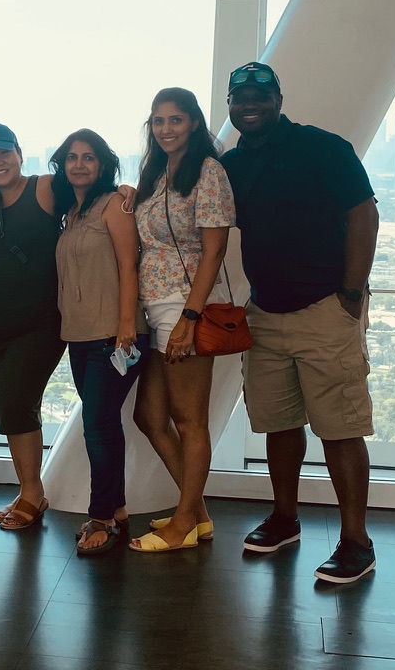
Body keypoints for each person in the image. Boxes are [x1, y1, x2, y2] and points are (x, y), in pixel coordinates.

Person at [220, 62, 379, 584]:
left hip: (325, 309)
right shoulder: (234, 165)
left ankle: (356, 541)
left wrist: (351, 296)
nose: (250, 103)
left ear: (278, 99)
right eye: (240, 96)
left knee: (341, 427)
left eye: (260, 95)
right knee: (279, 423)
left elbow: (363, 213)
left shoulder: (323, 147)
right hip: (266, 312)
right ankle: (285, 519)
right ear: (230, 105)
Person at [128, 87, 235, 554]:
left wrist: (190, 317)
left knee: (189, 420)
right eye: (158, 121)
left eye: (176, 119)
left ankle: (186, 521)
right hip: (156, 307)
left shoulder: (208, 172)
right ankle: (198, 513)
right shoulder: (156, 172)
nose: (166, 128)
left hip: (186, 304)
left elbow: (214, 249)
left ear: (194, 122)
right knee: (149, 416)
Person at [50, 129, 149, 555]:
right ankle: (119, 509)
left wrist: (126, 325)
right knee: (105, 425)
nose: (79, 164)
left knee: (97, 428)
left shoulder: (115, 205)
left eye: (88, 157)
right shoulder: (71, 212)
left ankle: (102, 517)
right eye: (72, 157)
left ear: (103, 164)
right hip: (79, 335)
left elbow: (130, 267)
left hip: (115, 336)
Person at [0, 124, 65, 530]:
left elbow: (92, 197)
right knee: (9, 406)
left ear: (20, 153)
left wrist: (126, 193)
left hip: (39, 323)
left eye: (4, 153)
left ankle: (33, 495)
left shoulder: (44, 187)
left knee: (18, 401)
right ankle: (30, 488)